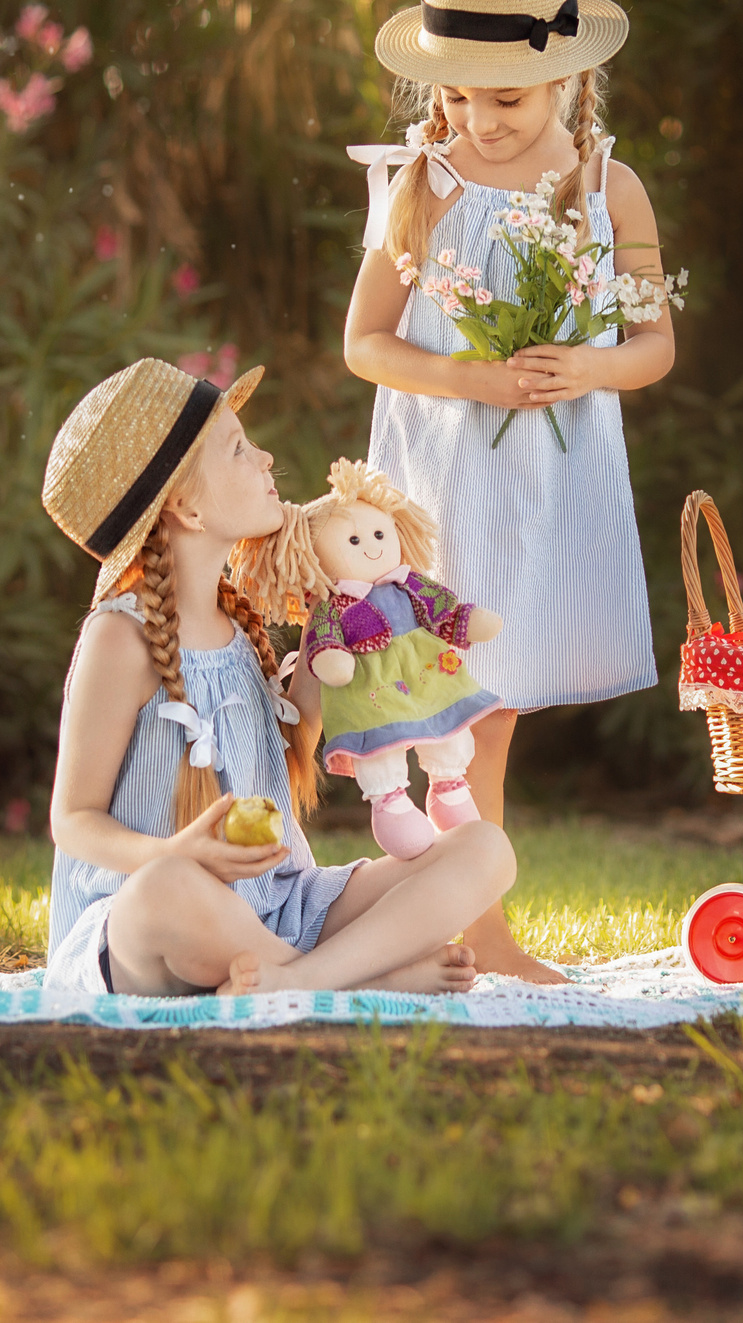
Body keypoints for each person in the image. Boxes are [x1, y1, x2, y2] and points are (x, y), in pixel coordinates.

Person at [343, 0, 675, 984]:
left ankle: (447, 918)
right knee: (462, 709)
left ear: (567, 79)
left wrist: (586, 364)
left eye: (509, 103)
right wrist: (476, 381)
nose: (481, 124)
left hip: (546, 486)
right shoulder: (422, 187)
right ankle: (469, 929)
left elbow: (654, 348)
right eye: (463, 100)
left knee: (491, 710)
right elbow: (365, 343)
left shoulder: (607, 190)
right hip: (446, 481)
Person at [40, 357, 517, 997]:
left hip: (279, 910)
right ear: (186, 507)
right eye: (239, 449)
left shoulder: (241, 631)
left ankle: (303, 978)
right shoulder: (120, 638)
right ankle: (353, 977)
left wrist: (333, 674)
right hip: (155, 926)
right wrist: (179, 852)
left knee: (484, 848)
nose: (266, 460)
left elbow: (283, 766)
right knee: (169, 891)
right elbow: (73, 820)